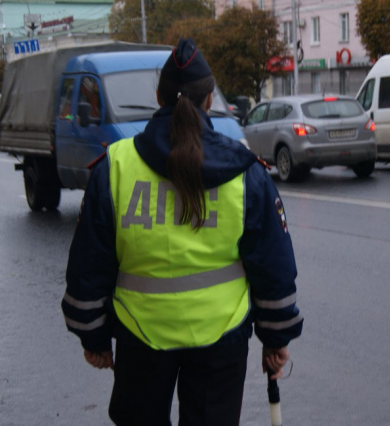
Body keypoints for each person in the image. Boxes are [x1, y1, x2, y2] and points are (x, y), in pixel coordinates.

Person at [61, 38, 303, 425]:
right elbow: (273, 267)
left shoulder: (117, 167)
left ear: (159, 97)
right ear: (210, 100)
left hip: (140, 338)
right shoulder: (246, 174)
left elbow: (89, 264)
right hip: (221, 338)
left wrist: (94, 338)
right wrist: (276, 340)